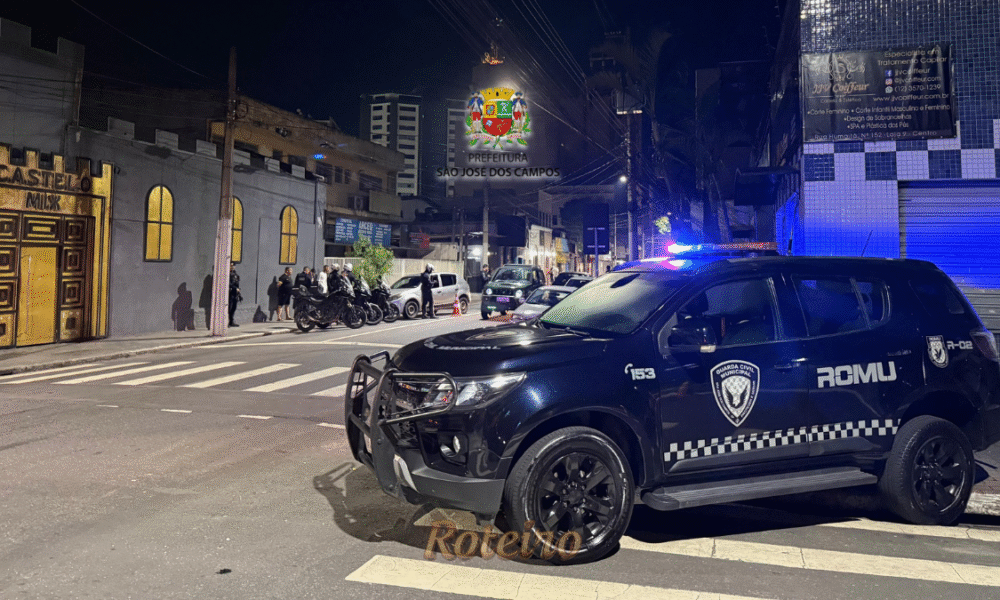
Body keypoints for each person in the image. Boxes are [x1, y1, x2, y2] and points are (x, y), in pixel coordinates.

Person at [228, 263, 242, 327]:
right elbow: (228, 283)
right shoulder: (228, 274)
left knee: (234, 307)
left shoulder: (235, 274)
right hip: (230, 292)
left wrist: (238, 291)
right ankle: (227, 321)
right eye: (231, 266)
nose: (232, 267)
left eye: (233, 266)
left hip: (235, 293)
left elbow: (237, 283)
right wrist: (235, 288)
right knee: (229, 308)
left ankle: (231, 321)